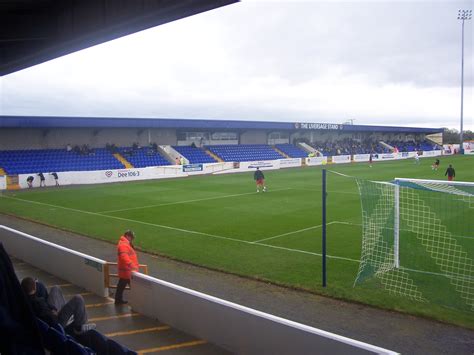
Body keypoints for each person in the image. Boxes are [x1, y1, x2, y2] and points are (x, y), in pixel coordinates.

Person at [21, 277, 95, 334]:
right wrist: (55, 313)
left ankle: (67, 313)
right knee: (78, 299)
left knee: (55, 288)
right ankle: (79, 327)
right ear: (35, 288)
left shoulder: (23, 301)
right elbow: (50, 318)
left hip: (47, 316)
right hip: (56, 323)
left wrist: (52, 309)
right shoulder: (39, 302)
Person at [115, 230, 139, 305]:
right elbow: (124, 257)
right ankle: (137, 303)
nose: (132, 239)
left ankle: (118, 300)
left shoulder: (124, 243)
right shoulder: (123, 244)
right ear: (127, 236)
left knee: (121, 286)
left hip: (126, 270)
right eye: (131, 237)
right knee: (135, 287)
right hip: (127, 270)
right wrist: (132, 265)